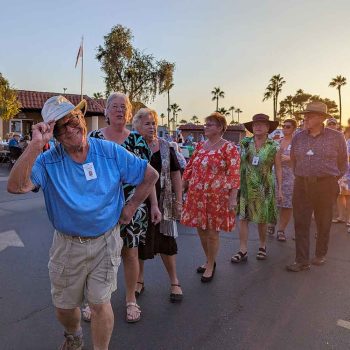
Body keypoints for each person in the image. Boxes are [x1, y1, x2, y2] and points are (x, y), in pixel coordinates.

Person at [7, 95, 158, 350]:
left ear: (83, 119)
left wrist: (130, 208)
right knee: (65, 308)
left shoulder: (108, 151)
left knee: (100, 303)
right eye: (61, 126)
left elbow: (150, 174)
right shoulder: (47, 160)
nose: (71, 128)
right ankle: (74, 334)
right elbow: (16, 186)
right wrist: (35, 146)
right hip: (67, 246)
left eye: (74, 118)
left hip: (105, 241)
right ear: (54, 134)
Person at [89, 92, 161, 323]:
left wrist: (153, 205)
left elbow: (147, 176)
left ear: (129, 113)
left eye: (124, 107)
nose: (120, 110)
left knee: (130, 253)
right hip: (100, 208)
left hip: (132, 206)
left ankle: (131, 299)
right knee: (97, 255)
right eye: (115, 106)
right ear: (106, 111)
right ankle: (96, 301)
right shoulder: (93, 138)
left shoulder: (138, 141)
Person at [286, 102, 348, 272]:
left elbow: (343, 161)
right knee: (300, 222)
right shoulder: (298, 137)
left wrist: (334, 177)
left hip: (326, 185)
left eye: (310, 115)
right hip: (302, 184)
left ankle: (320, 254)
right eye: (305, 114)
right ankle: (301, 260)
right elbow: (293, 159)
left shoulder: (336, 137)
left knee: (323, 221)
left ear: (321, 118)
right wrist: (300, 174)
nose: (306, 117)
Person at [182, 112, 240, 282]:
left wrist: (232, 197)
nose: (205, 127)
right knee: (201, 229)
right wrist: (183, 186)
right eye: (205, 124)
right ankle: (209, 260)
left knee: (213, 232)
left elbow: (234, 174)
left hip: (217, 196)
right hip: (196, 194)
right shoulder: (200, 146)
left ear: (220, 127)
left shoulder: (229, 148)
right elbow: (190, 167)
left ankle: (211, 264)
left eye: (210, 124)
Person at [133, 108, 184, 301]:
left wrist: (179, 200)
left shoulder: (165, 146)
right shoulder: (133, 146)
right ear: (137, 125)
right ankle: (139, 280)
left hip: (164, 201)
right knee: (139, 243)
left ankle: (174, 282)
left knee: (166, 242)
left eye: (154, 123)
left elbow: (175, 174)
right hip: (139, 201)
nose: (152, 126)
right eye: (147, 123)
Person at [231, 114, 282, 263]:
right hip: (245, 186)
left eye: (261, 124)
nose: (257, 127)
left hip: (264, 186)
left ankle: (262, 246)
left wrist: (280, 190)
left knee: (262, 219)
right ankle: (243, 250)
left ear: (268, 128)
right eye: (255, 124)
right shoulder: (245, 143)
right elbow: (238, 163)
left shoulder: (274, 146)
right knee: (243, 218)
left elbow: (278, 168)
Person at [275, 119, 297, 241]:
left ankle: (281, 230)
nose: (285, 128)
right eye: (283, 126)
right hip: (275, 174)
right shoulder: (277, 142)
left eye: (288, 126)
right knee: (273, 201)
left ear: (294, 128)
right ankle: (271, 223)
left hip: (290, 176)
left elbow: (304, 157)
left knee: (287, 204)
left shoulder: (297, 143)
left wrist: (290, 158)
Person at [332, 127, 350, 226]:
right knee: (340, 195)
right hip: (339, 171)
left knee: (348, 196)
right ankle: (341, 216)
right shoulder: (343, 142)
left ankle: (349, 218)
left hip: (348, 172)